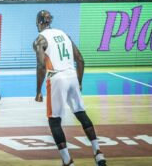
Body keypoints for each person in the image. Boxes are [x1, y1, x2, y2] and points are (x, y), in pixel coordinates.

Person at [33, 10, 107, 166]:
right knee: (81, 114)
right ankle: (98, 152)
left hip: (57, 78)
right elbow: (80, 60)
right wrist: (79, 82)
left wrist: (38, 91)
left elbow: (41, 66)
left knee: (54, 121)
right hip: (72, 75)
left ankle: (67, 161)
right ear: (49, 21)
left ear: (39, 23)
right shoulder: (64, 34)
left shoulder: (40, 40)